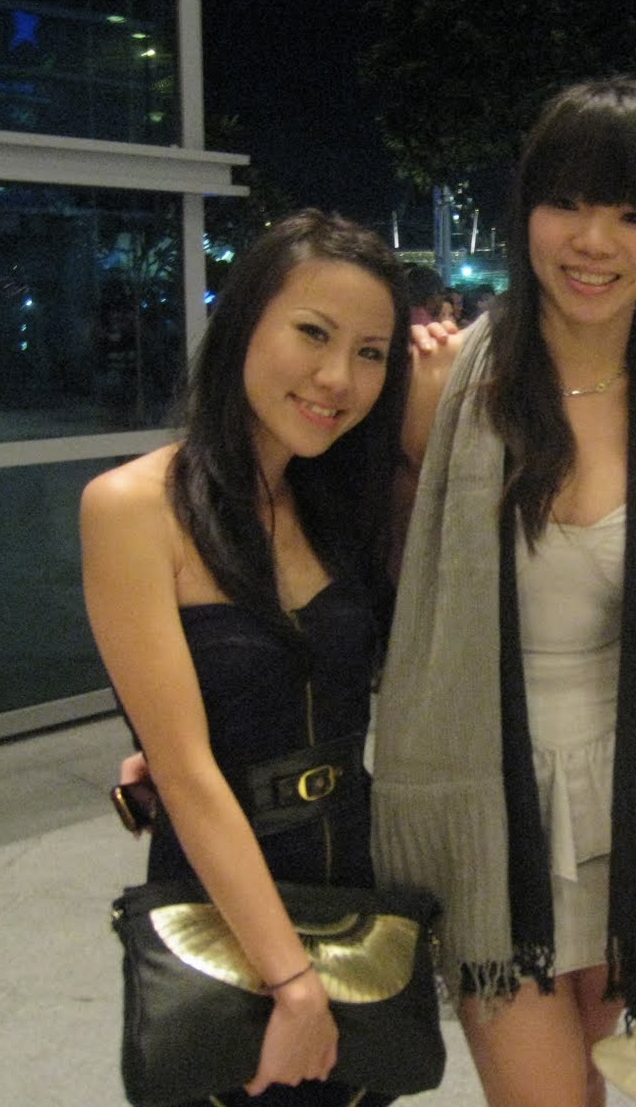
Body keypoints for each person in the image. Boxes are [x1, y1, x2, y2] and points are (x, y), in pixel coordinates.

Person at [372, 77, 636, 1107]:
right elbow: (355, 577)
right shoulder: (445, 386)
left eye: (633, 215)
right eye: (567, 204)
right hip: (491, 816)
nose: (594, 243)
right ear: (526, 213)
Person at [81, 210, 411, 1107]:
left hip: (354, 890)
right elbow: (185, 772)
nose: (338, 378)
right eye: (313, 333)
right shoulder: (134, 508)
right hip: (222, 915)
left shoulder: (341, 504)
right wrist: (290, 982)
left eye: (372, 352)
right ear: (241, 327)